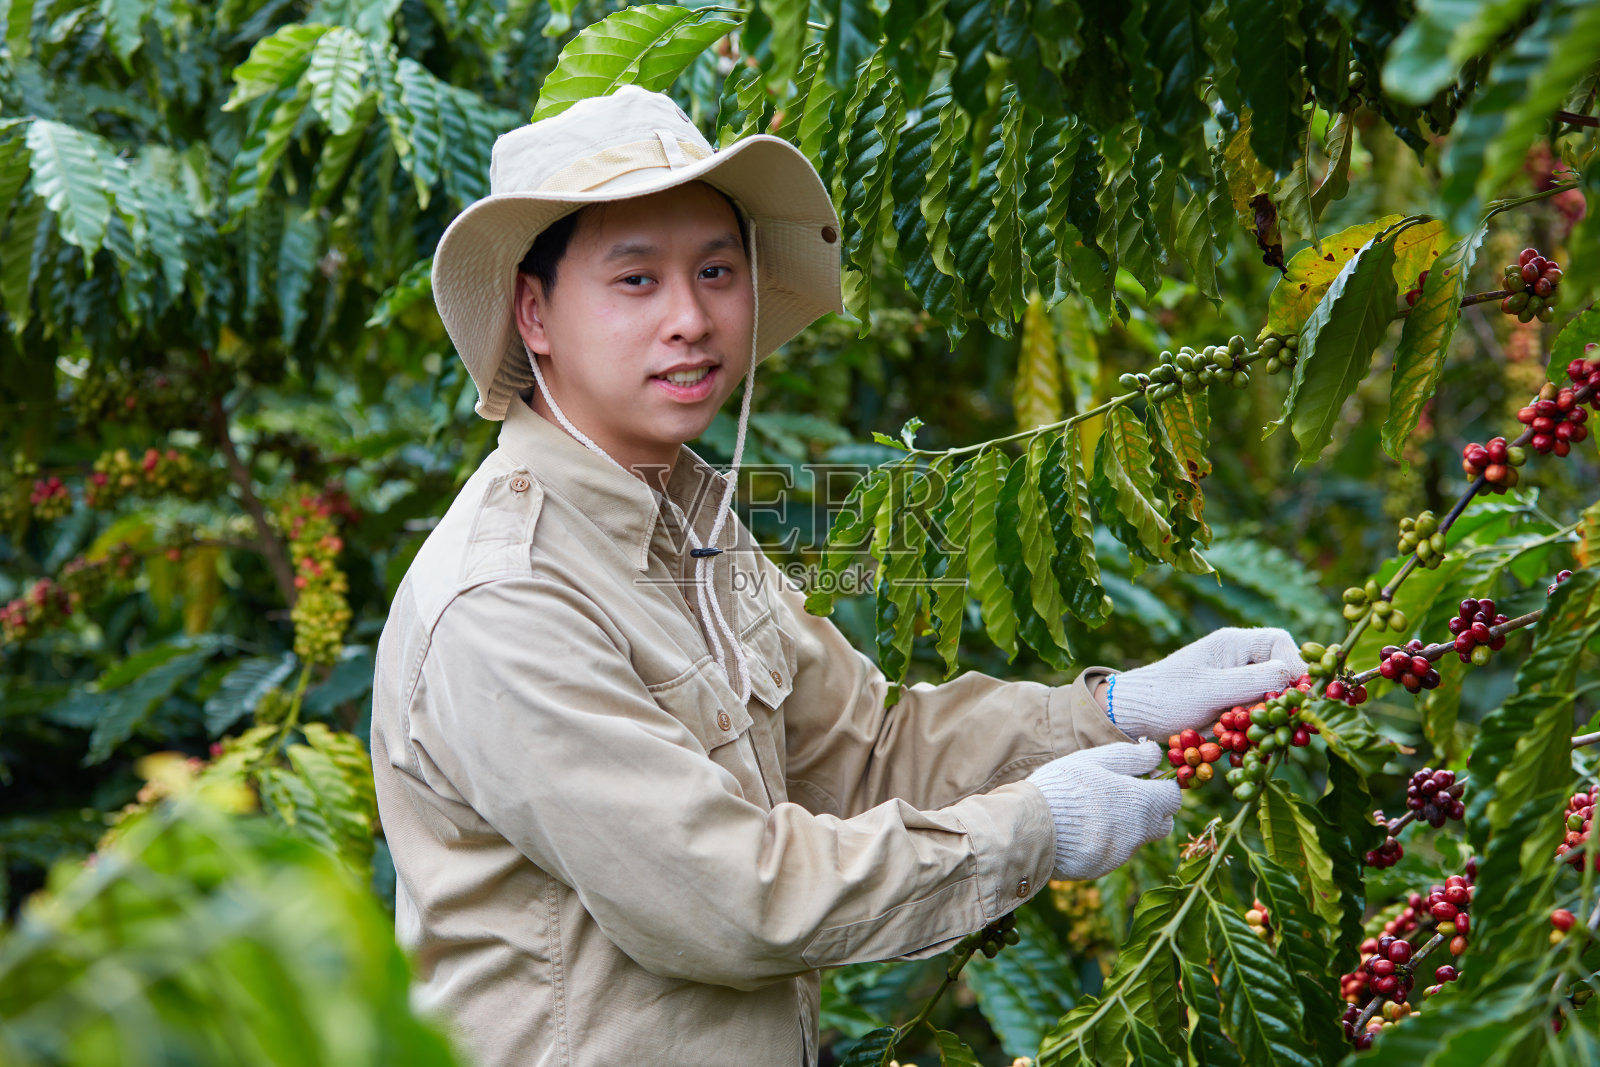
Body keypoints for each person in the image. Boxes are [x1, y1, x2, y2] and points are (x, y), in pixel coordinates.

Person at [369, 86, 1307, 1067]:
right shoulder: (508, 598)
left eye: (717, 270)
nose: (691, 317)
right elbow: (726, 901)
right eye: (635, 279)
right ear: (535, 313)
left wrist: (1117, 708)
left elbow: (863, 749)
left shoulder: (696, 526)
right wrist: (1032, 827)